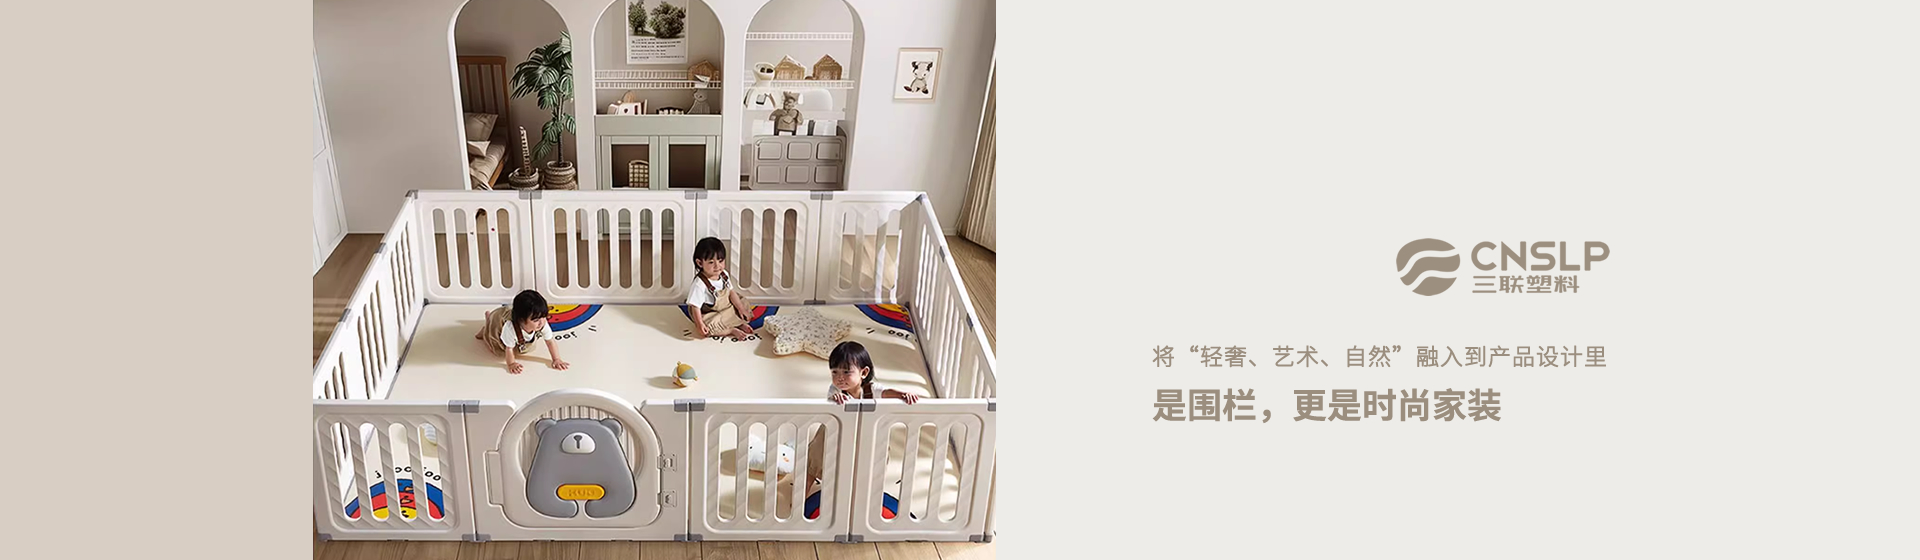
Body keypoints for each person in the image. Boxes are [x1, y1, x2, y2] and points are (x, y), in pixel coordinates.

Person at [474, 289, 569, 374]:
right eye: (536, 320)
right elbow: (509, 349)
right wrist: (511, 364)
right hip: (498, 321)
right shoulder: (510, 328)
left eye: (544, 317)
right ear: (521, 320)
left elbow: (550, 341)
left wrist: (556, 359)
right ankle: (486, 328)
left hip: (516, 329)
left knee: (524, 346)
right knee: (496, 349)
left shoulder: (541, 322)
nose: (541, 322)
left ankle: (489, 318)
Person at [686, 237, 756, 341]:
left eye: (720, 261)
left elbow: (731, 292)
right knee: (708, 325)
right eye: (711, 262)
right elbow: (695, 307)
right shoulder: (699, 284)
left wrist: (741, 309)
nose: (717, 266)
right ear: (700, 263)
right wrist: (699, 324)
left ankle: (739, 323)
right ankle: (731, 330)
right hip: (711, 313)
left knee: (743, 303)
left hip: (726, 308)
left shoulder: (724, 275)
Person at [825, 341, 920, 404]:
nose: (840, 378)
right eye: (834, 372)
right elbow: (829, 403)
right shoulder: (836, 390)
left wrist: (902, 395)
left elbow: (886, 393)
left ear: (864, 373)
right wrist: (835, 399)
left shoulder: (870, 389)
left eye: (846, 372)